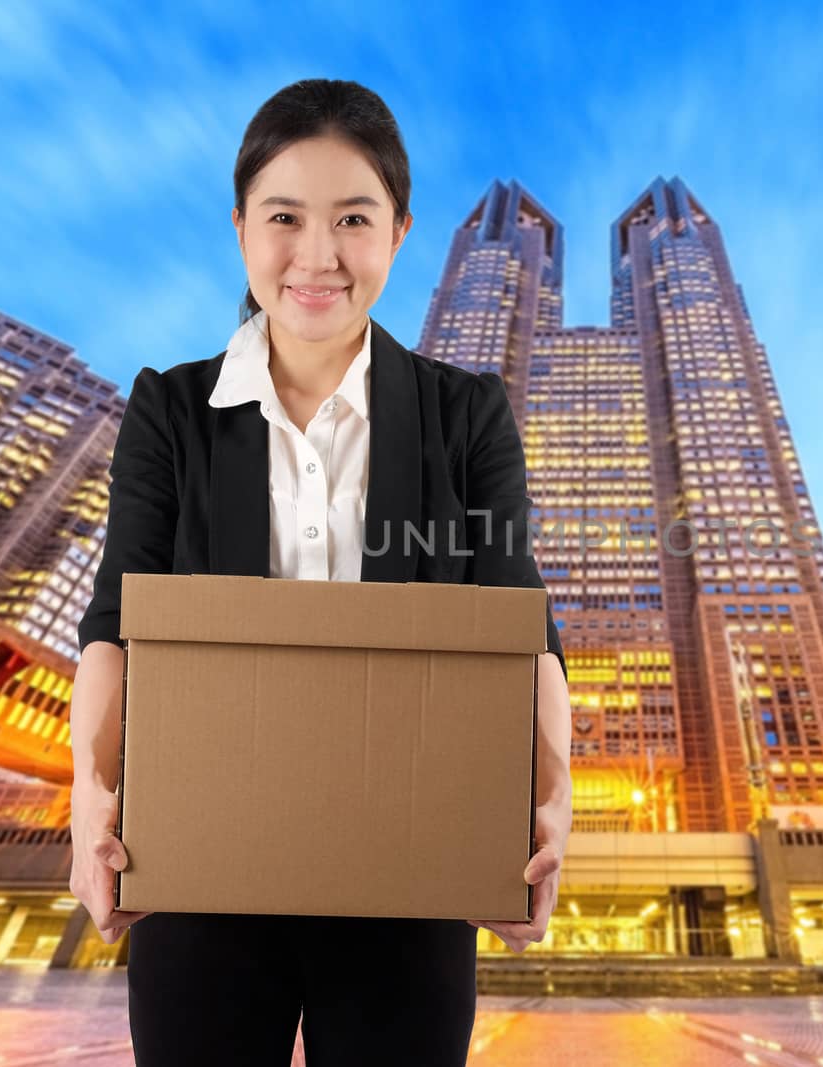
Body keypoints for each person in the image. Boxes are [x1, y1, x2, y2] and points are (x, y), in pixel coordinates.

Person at [66, 78, 572, 1066]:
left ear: (399, 231)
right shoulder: (172, 408)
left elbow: (520, 621)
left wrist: (550, 796)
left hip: (411, 869)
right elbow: (117, 618)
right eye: (284, 217)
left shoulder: (464, 414)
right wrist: (91, 794)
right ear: (240, 227)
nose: (317, 255)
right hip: (199, 868)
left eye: (353, 219)